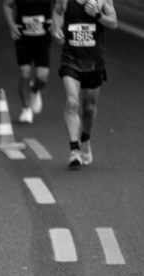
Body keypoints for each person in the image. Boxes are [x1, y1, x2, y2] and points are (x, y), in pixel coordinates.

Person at [52, 0, 117, 169]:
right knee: (72, 102)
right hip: (70, 60)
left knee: (89, 108)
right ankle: (74, 151)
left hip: (94, 62)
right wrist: (57, 29)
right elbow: (58, 12)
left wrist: (97, 14)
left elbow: (113, 22)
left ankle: (85, 139)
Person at [3, 0, 53, 124]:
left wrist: (56, 20)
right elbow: (7, 5)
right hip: (23, 38)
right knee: (25, 73)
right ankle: (26, 108)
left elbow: (61, 5)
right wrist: (11, 25)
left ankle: (35, 90)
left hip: (43, 38)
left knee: (43, 77)